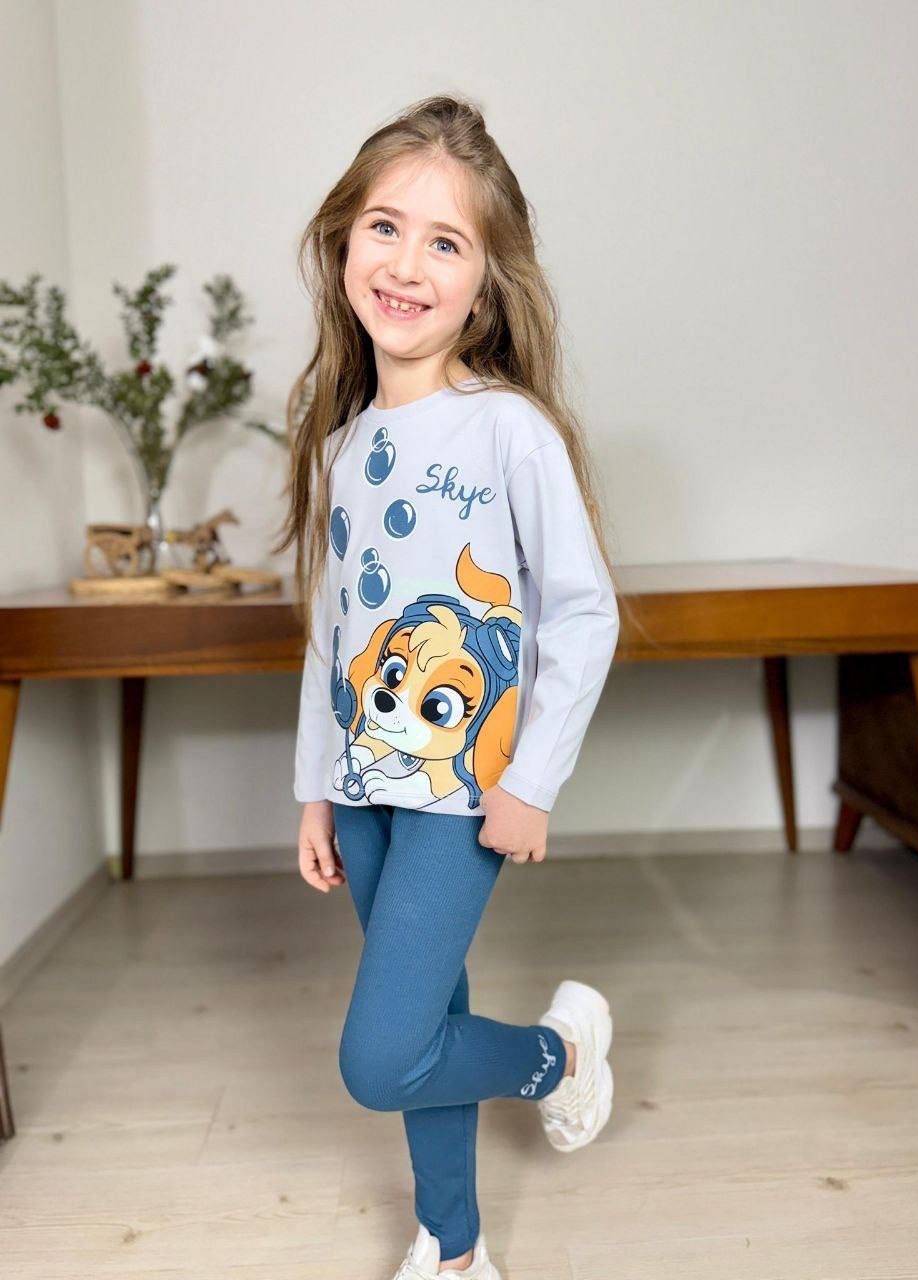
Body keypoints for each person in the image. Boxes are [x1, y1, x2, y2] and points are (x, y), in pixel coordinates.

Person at [273, 93, 621, 1280]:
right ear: (344, 242)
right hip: (364, 781)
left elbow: (583, 610)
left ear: (484, 285)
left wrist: (533, 780)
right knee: (425, 1015)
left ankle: (558, 1056)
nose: (406, 264)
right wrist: (316, 787)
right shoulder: (344, 443)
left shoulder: (507, 430)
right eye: (385, 226)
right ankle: (457, 1247)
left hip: (464, 789)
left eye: (445, 241)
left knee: (380, 1056)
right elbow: (333, 633)